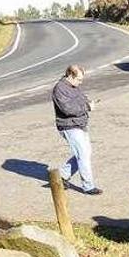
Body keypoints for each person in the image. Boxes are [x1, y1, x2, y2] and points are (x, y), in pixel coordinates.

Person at [51, 64, 100, 195]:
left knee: (85, 153)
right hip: (69, 125)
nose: (80, 82)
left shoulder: (74, 87)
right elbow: (68, 110)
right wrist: (87, 108)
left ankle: (62, 175)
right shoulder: (59, 89)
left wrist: (89, 103)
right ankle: (88, 186)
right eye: (78, 79)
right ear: (70, 75)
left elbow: (82, 99)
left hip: (80, 124)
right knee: (83, 154)